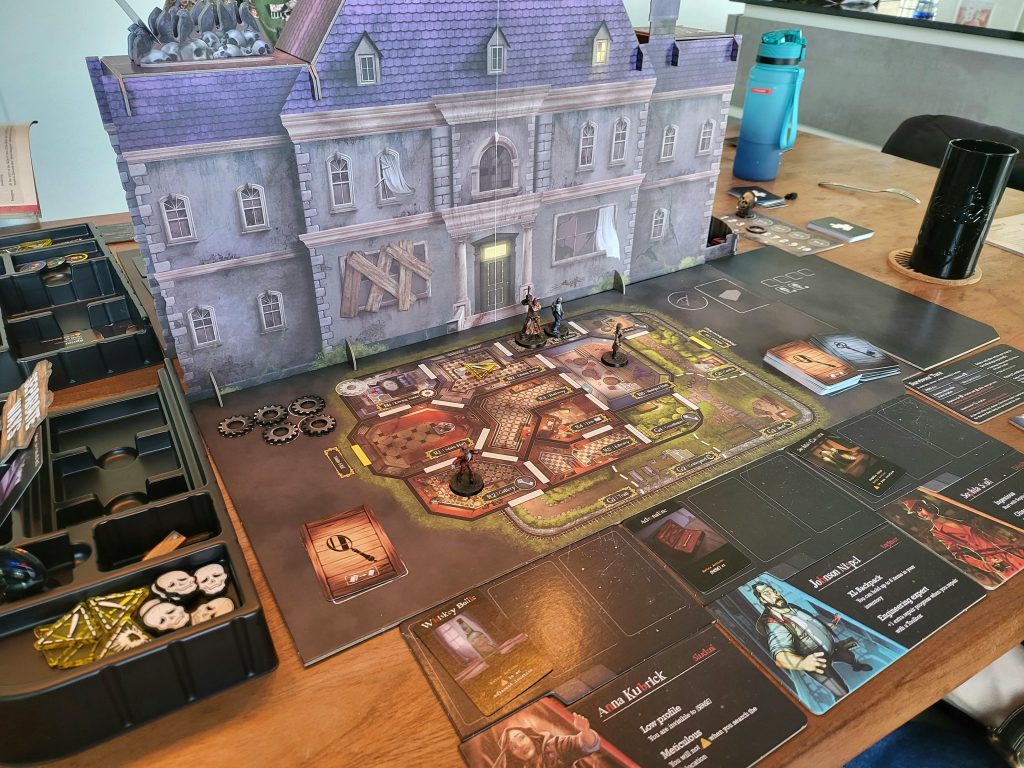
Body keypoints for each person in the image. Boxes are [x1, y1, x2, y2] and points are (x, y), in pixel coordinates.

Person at [752, 581, 872, 703]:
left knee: (850, 656)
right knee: (841, 691)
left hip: (831, 648)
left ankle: (856, 666)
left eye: (774, 591)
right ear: (762, 600)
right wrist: (802, 663)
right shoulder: (773, 623)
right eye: (767, 593)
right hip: (815, 660)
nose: (775, 595)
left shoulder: (792, 607)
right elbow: (780, 654)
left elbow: (812, 623)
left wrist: (830, 625)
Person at [901, 497, 1024, 582]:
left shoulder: (956, 517)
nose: (920, 514)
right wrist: (985, 565)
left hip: (1011, 549)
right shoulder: (937, 532)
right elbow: (958, 554)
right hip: (996, 559)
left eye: (919, 509)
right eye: (917, 513)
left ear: (927, 505)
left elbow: (986, 531)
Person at [493, 713, 601, 768]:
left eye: (521, 738)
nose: (520, 746)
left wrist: (585, 731)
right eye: (513, 747)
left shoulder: (553, 748)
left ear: (530, 737)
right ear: (512, 755)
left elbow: (583, 743)